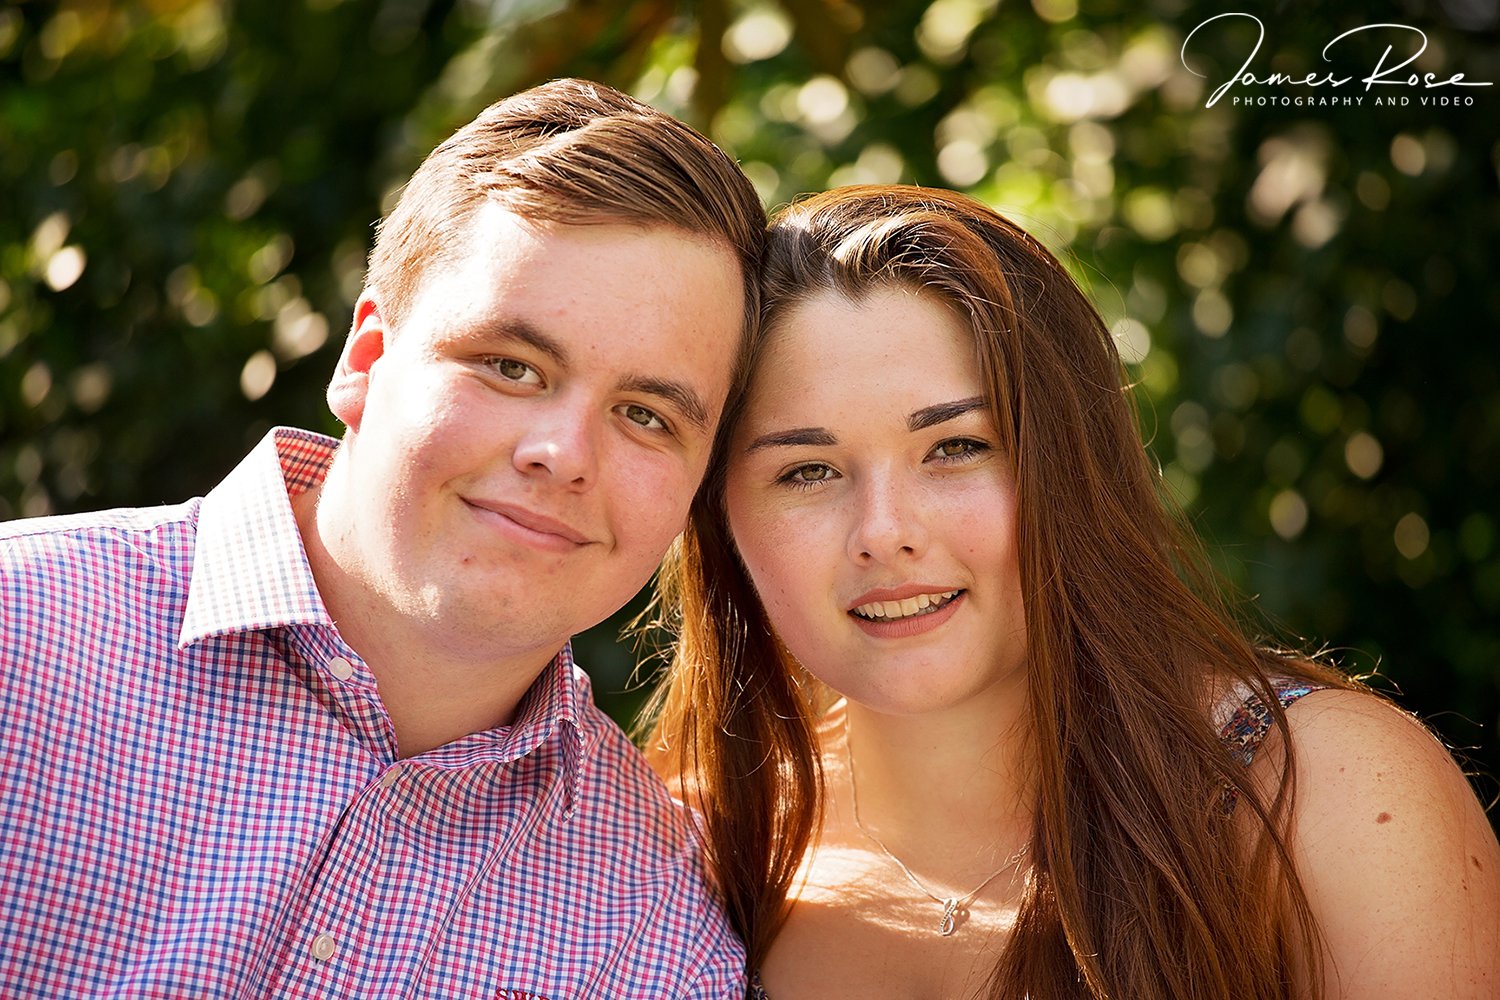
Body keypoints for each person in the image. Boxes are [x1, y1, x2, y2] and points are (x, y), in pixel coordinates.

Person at [0, 79, 764, 997]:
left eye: (646, 415)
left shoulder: (662, 933)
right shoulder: (21, 640)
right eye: (512, 367)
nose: (563, 455)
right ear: (365, 359)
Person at [643, 185, 1500, 999]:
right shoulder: (697, 847)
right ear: (719, 517)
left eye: (957, 447)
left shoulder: (1319, 794)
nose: (884, 530)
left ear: (1071, 464)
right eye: (807, 470)